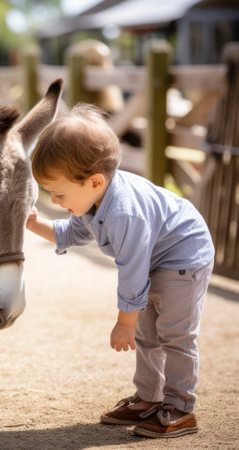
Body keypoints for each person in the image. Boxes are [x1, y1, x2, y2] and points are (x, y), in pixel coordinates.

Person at [26, 103, 215, 439]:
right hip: (157, 260)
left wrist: (123, 321)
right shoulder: (94, 199)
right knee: (147, 335)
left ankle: (180, 407)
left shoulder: (124, 213)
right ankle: (149, 398)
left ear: (95, 181)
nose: (55, 201)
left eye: (59, 193)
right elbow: (71, 233)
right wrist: (34, 222)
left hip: (184, 258)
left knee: (175, 336)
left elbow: (133, 269)